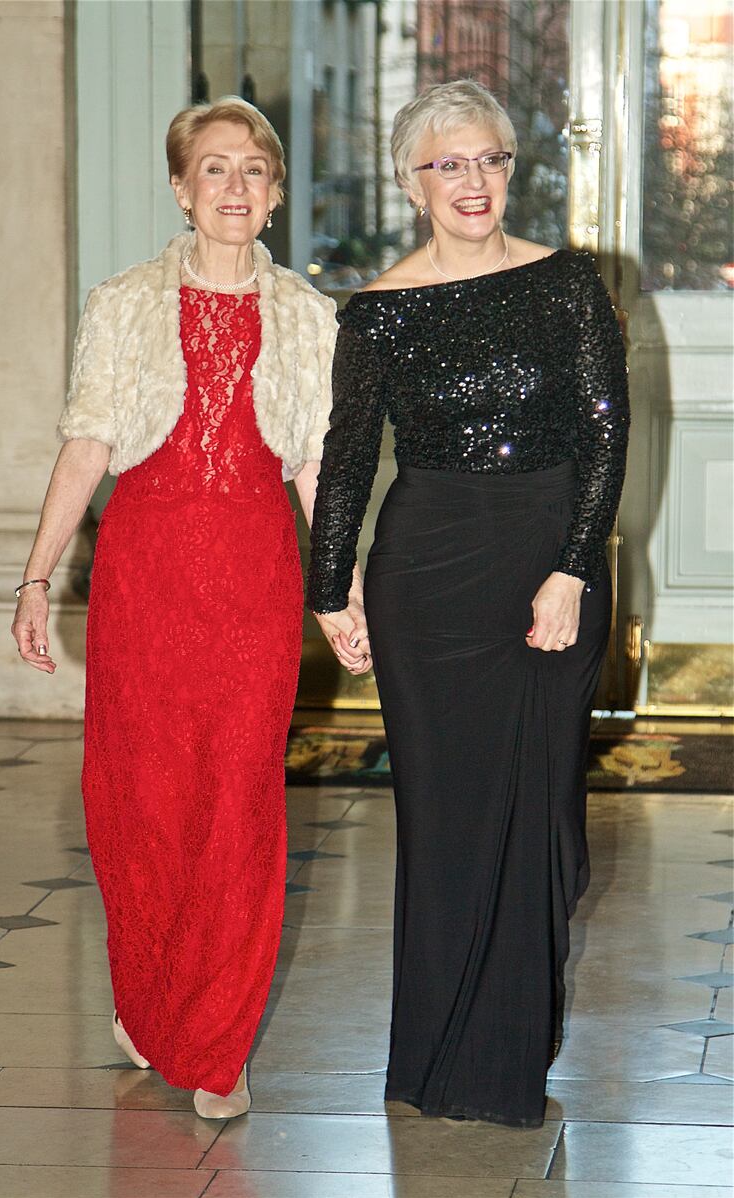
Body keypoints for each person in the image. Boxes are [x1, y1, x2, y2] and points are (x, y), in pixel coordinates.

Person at [11, 96, 367, 1119]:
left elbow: (310, 467)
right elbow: (86, 444)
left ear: (275, 192)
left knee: (238, 804)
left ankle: (217, 1039)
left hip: (254, 581)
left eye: (253, 170)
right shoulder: (121, 301)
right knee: (141, 803)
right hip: (145, 574)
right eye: (214, 169)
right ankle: (150, 999)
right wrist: (36, 575)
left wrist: (334, 595)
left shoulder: (306, 313)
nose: (235, 187)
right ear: (180, 186)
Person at [307, 79, 629, 1128]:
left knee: (543, 824)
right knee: (442, 822)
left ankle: (505, 1045)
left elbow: (602, 433)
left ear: (509, 169)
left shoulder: (567, 283)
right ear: (411, 181)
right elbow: (347, 457)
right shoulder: (381, 310)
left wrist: (572, 566)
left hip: (547, 561)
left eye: (488, 158)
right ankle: (442, 1056)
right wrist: (328, 589)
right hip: (426, 576)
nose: (471, 180)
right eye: (447, 163)